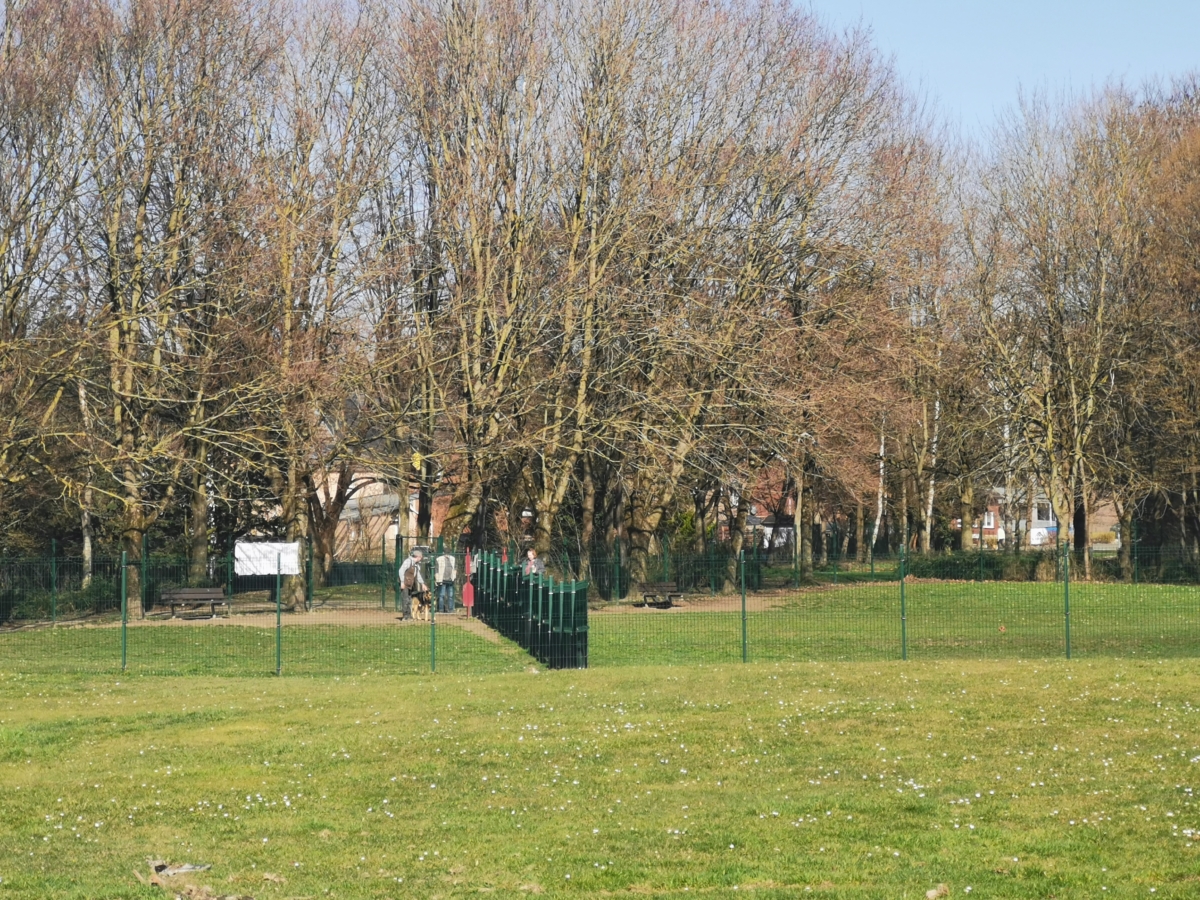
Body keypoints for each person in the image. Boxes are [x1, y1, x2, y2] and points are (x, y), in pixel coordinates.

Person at [398, 549, 426, 620]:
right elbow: (401, 571)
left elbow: (418, 575)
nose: (421, 558)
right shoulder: (408, 561)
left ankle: (409, 615)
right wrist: (402, 582)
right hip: (405, 583)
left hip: (411, 584)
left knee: (410, 599)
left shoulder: (416, 564)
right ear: (418, 557)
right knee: (405, 599)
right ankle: (405, 616)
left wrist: (422, 584)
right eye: (421, 557)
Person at [435, 549, 457, 614]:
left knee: (450, 595)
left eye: (448, 553)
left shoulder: (453, 559)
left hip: (450, 580)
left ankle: (451, 609)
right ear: (443, 553)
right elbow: (436, 570)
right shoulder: (439, 559)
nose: (447, 555)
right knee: (441, 595)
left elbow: (455, 568)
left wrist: (454, 576)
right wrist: (437, 579)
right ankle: (441, 609)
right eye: (446, 553)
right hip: (442, 580)